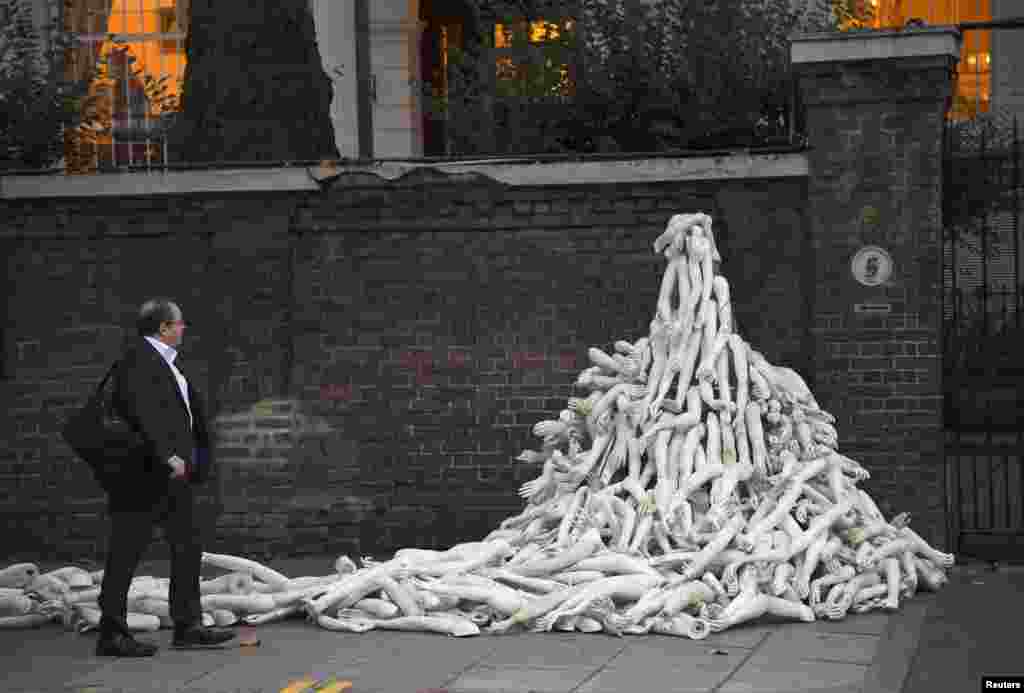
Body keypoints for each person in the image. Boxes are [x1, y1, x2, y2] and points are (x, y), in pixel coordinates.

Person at [95, 298, 236, 657]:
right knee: (125, 552)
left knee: (188, 547)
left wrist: (196, 460)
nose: (184, 328)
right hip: (142, 476)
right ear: (163, 328)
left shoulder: (169, 365)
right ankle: (112, 633)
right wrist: (165, 456)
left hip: (174, 478)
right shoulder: (137, 361)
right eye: (180, 323)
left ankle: (188, 626)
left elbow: (182, 418)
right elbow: (136, 412)